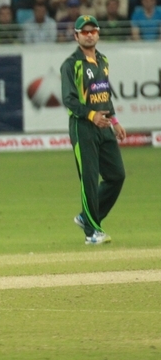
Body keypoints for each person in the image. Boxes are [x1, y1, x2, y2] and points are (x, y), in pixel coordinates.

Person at [60, 15, 126, 245]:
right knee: (89, 178)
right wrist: (91, 115)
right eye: (84, 32)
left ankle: (86, 218)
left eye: (92, 31)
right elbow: (68, 99)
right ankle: (92, 233)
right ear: (76, 36)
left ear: (98, 34)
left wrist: (114, 120)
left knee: (116, 176)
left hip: (104, 125)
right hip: (83, 127)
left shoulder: (103, 60)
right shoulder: (71, 64)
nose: (89, 35)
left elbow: (104, 94)